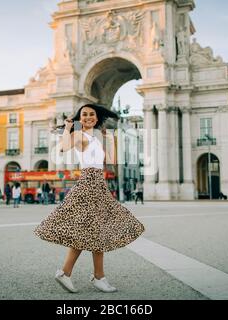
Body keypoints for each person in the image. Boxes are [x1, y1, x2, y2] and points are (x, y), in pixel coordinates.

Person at [34, 104, 145, 293]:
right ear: (79, 118)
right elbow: (63, 147)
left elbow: (109, 161)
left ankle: (83, 274)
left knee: (94, 233)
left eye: (91, 114)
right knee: (93, 233)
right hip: (89, 184)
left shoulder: (95, 137)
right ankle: (87, 275)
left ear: (97, 117)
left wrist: (110, 140)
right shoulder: (79, 135)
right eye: (84, 114)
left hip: (98, 184)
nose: (88, 117)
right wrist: (69, 128)